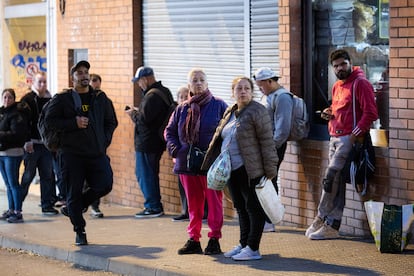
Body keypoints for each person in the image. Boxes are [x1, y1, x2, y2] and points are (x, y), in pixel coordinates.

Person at [202, 76, 278, 260]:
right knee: (241, 208)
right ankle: (243, 244)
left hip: (251, 169)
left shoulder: (258, 111)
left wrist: (270, 172)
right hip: (232, 169)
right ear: (233, 92)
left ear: (252, 92)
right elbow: (220, 136)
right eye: (239, 89)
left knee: (253, 208)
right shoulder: (231, 110)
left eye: (246, 88)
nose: (242, 91)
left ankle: (253, 248)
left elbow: (267, 142)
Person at [305, 49, 378, 240]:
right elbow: (340, 109)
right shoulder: (337, 85)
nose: (339, 68)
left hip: (348, 139)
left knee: (331, 178)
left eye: (343, 64)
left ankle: (321, 216)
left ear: (350, 62)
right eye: (336, 66)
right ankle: (332, 224)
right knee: (336, 183)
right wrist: (329, 113)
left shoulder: (360, 83)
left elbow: (371, 113)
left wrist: (354, 136)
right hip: (333, 137)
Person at [44, 60, 118, 245]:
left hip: (96, 153)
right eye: (79, 73)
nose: (84, 75)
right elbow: (49, 121)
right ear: (73, 77)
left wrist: (103, 140)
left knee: (105, 184)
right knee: (73, 193)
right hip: (71, 155)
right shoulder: (62, 99)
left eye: (86, 72)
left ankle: (76, 206)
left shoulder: (100, 98)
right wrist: (72, 123)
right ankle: (80, 230)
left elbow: (111, 121)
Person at [165, 68, 227, 255]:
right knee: (193, 204)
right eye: (195, 80)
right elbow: (169, 132)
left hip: (211, 164)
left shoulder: (219, 105)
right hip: (187, 163)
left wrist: (221, 154)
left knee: (214, 202)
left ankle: (214, 239)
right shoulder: (182, 108)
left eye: (201, 80)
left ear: (207, 83)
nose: (198, 83)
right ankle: (194, 239)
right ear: (189, 85)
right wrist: (176, 149)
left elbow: (229, 132)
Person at [127, 66, 174, 218]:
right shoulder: (164, 91)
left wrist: (133, 113)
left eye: (139, 82)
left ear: (145, 79)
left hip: (148, 143)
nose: (139, 85)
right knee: (150, 173)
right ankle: (154, 205)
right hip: (157, 142)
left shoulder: (151, 96)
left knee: (145, 174)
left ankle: (153, 206)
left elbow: (143, 120)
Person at [253, 67, 293, 233]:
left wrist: (270, 148)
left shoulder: (283, 98)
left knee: (269, 181)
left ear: (270, 81)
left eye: (261, 85)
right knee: (266, 181)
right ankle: (266, 218)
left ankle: (270, 219)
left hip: (273, 146)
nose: (260, 89)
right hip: (265, 145)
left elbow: (282, 129)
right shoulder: (269, 96)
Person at [20, 72, 59, 215]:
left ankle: (47, 205)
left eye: (44, 82)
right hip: (32, 145)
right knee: (28, 175)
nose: (42, 85)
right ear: (33, 82)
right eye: (40, 82)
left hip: (46, 144)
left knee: (47, 175)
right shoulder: (27, 100)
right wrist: (26, 140)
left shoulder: (51, 100)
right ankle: (17, 205)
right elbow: (23, 123)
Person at [172, 85, 208, 222]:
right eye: (180, 97)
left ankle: (204, 212)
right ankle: (185, 210)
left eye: (184, 96)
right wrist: (174, 149)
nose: (182, 99)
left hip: (198, 156)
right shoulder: (177, 111)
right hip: (181, 157)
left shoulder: (197, 110)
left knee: (200, 186)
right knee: (183, 186)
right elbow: (170, 132)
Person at [0, 89, 30, 223]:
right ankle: (11, 209)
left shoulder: (17, 114)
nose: (7, 100)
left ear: (14, 99)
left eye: (9, 98)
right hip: (1, 152)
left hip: (13, 153)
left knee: (13, 183)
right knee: (7, 183)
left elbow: (16, 134)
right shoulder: (1, 113)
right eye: (5, 97)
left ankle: (18, 212)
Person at [82, 73, 104, 218]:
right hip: (82, 146)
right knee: (83, 178)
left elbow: (110, 121)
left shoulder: (103, 99)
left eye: (96, 81)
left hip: (98, 147)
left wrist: (104, 140)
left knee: (98, 178)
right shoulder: (81, 98)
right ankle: (82, 203)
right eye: (91, 81)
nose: (93, 84)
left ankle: (95, 206)